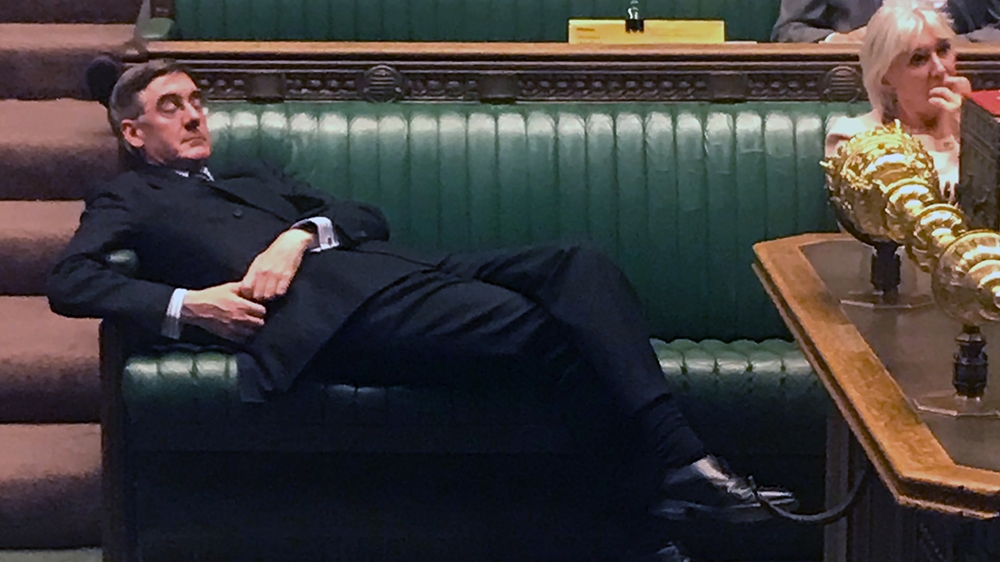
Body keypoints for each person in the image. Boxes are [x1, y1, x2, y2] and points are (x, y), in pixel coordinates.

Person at [47, 60, 797, 552]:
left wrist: (296, 236)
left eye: (197, 102)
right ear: (133, 132)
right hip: (335, 321)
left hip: (401, 270)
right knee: (554, 332)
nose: (194, 116)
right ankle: (677, 476)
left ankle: (652, 499)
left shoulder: (252, 173)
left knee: (579, 263)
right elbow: (71, 281)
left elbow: (364, 215)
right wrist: (191, 305)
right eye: (171, 107)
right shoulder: (128, 197)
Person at [825, 2, 969, 202]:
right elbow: (906, 209)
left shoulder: (980, 131)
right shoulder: (855, 138)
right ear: (885, 77)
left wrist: (973, 132)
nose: (940, 68)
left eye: (943, 50)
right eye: (918, 59)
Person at [772, 0, 1000, 43]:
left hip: (957, 86)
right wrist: (838, 40)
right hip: (858, 91)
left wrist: (949, 46)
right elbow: (788, 30)